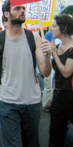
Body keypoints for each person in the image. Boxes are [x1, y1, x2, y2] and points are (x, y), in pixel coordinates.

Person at [0, 0, 52, 147]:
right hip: (8, 102)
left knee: (32, 144)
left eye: (23, 8)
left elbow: (46, 72)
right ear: (7, 14)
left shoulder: (34, 38)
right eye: (17, 9)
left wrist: (48, 56)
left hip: (32, 102)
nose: (22, 11)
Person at [49, 14, 73, 147]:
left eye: (54, 26)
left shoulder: (71, 49)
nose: (51, 29)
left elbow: (66, 72)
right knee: (55, 133)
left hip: (70, 96)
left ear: (63, 29)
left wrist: (54, 54)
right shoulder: (57, 47)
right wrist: (53, 93)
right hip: (58, 95)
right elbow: (56, 74)